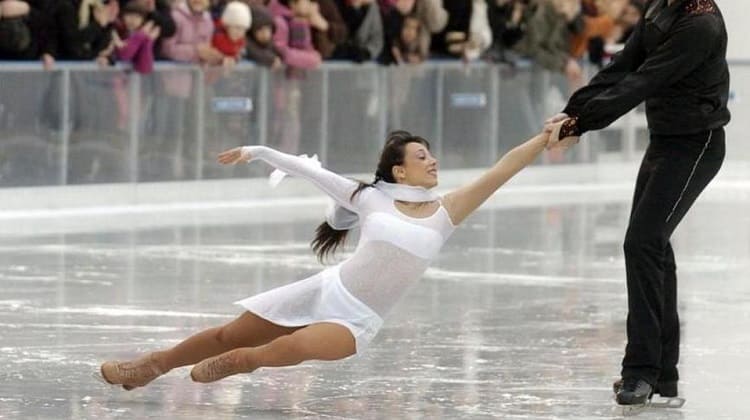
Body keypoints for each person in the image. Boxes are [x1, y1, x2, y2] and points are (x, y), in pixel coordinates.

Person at [98, 129, 553, 389]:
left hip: (357, 319)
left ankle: (244, 361)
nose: (433, 161)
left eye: (431, 154)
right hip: (327, 289)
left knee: (294, 348)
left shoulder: (447, 212)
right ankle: (151, 365)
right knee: (228, 330)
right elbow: (309, 170)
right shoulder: (369, 198)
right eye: (422, 156)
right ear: (400, 170)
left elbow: (504, 167)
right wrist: (256, 151)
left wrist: (547, 136)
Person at [544, 0, 730, 407]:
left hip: (696, 145)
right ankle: (662, 374)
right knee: (652, 246)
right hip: (664, 142)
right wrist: (571, 110)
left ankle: (642, 370)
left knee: (643, 242)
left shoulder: (701, 24)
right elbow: (623, 66)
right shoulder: (659, 9)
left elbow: (644, 81)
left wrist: (582, 123)